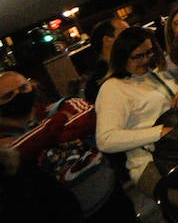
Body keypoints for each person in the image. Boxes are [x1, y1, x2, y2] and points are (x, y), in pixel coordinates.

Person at [0, 71, 136, 222]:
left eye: (23, 88)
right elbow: (13, 153)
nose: (19, 95)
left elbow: (91, 116)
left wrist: (38, 139)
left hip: (111, 197)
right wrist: (60, 120)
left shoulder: (62, 106)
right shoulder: (59, 114)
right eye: (8, 96)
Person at [93, 28, 178, 199]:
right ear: (122, 57)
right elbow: (106, 139)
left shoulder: (156, 74)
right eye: (138, 56)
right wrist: (160, 132)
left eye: (149, 52)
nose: (145, 59)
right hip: (150, 164)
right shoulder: (113, 88)